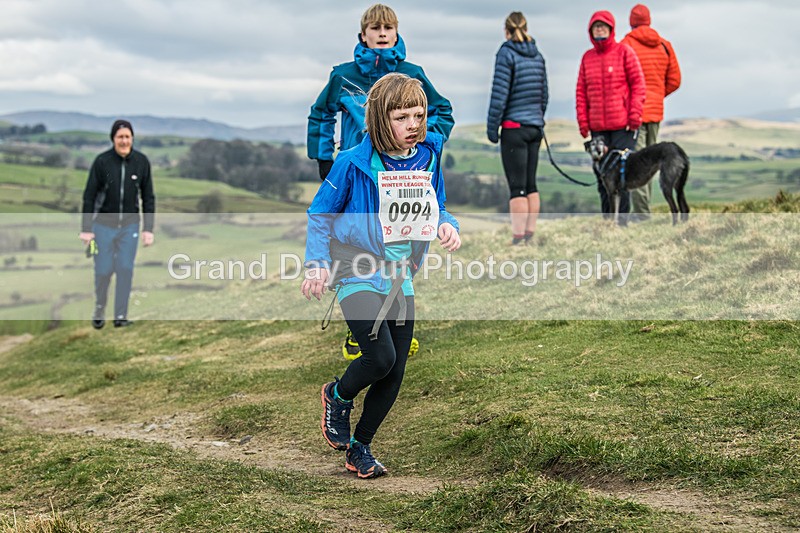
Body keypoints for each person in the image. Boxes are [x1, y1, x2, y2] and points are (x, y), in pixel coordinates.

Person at [302, 73, 461, 479]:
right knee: (380, 356)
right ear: (378, 118)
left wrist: (447, 223)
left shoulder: (429, 153)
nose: (414, 125)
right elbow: (320, 215)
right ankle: (338, 395)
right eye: (402, 116)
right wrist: (317, 264)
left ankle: (361, 448)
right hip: (356, 268)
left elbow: (437, 201)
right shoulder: (352, 162)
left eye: (419, 115)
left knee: (395, 370)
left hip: (399, 273)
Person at [307, 3, 453, 359]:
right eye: (375, 27)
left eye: (389, 27)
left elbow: (442, 111)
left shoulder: (412, 73)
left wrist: (423, 143)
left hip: (402, 176)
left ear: (397, 32)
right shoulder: (342, 75)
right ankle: (360, 327)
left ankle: (390, 320)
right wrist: (326, 158)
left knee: (400, 244)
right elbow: (320, 114)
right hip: (359, 176)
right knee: (359, 246)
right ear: (363, 35)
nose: (383, 33)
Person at [79, 120, 155, 329]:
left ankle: (121, 315)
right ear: (113, 139)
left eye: (127, 137)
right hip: (102, 226)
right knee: (103, 270)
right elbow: (89, 196)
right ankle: (100, 307)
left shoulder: (141, 162)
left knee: (125, 268)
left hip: (130, 226)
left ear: (132, 138)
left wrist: (148, 229)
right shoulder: (102, 162)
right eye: (120, 137)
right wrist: (86, 229)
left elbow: (148, 197)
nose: (124, 141)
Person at [576, 10, 645, 225]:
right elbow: (581, 91)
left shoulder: (625, 52)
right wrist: (583, 121)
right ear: (591, 31)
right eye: (596, 26)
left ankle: (621, 221)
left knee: (622, 177)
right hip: (598, 128)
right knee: (602, 176)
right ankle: (607, 219)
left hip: (623, 126)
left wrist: (634, 114)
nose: (600, 30)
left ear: (611, 29)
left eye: (603, 26)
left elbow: (638, 85)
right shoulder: (587, 58)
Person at [486, 11, 548, 245]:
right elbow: (544, 94)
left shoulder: (506, 53)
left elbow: (499, 95)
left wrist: (493, 128)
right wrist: (538, 118)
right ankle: (530, 233)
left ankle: (518, 237)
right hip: (534, 127)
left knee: (517, 187)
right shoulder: (538, 55)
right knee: (531, 183)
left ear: (507, 30)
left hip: (514, 128)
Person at [621, 4, 682, 220]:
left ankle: (642, 213)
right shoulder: (665, 45)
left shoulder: (626, 45)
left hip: (633, 114)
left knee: (636, 165)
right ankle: (645, 210)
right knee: (652, 163)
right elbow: (675, 80)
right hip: (655, 113)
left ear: (631, 21)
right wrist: (656, 96)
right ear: (649, 20)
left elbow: (620, 80)